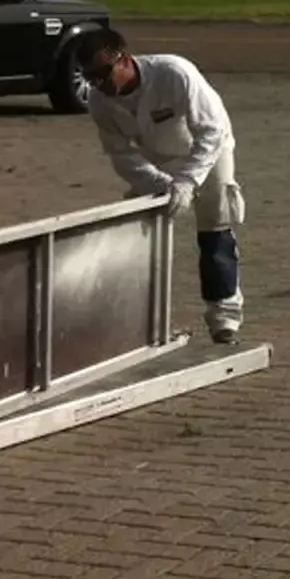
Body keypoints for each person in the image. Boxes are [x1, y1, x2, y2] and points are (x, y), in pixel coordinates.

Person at [76, 27, 246, 344]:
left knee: (215, 226)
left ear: (124, 59)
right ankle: (142, 323)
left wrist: (187, 181)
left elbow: (212, 131)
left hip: (208, 152)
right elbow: (121, 154)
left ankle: (224, 319)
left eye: (103, 73)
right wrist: (157, 181)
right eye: (90, 78)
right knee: (138, 231)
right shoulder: (99, 101)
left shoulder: (173, 72)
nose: (99, 84)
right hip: (158, 162)